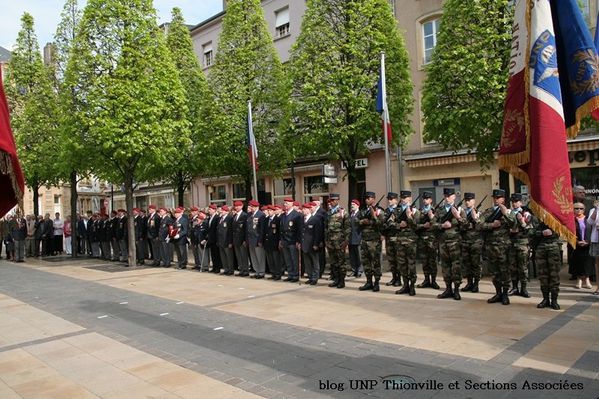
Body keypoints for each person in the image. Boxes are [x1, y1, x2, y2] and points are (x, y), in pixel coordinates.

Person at [478, 189, 515, 305]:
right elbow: (479, 225)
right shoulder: (488, 212)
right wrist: (491, 225)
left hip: (504, 248)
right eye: (494, 197)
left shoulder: (509, 212)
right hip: (490, 247)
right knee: (494, 272)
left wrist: (505, 214)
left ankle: (505, 294)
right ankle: (498, 293)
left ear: (503, 199)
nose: (496, 199)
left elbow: (514, 225)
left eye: (498, 198)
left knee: (505, 271)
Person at [432, 188, 466, 300]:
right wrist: (441, 226)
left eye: (449, 196)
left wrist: (458, 217)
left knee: (456, 266)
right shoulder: (439, 210)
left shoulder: (460, 210)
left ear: (454, 197)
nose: (447, 198)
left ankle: (456, 290)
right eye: (445, 196)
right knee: (445, 266)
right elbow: (432, 225)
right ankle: (448, 289)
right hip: (443, 243)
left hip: (455, 243)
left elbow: (466, 226)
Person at [531, 220, 562, 310]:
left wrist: (552, 232)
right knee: (543, 275)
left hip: (553, 247)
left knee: (554, 275)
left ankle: (554, 300)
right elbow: (529, 231)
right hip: (540, 247)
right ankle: (545, 299)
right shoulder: (535, 217)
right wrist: (541, 232)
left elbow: (563, 229)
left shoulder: (555, 216)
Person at [357, 191, 384, 292]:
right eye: (366, 198)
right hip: (364, 240)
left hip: (374, 240)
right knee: (366, 262)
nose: (367, 200)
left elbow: (381, 224)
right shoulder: (363, 210)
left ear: (374, 199)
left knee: (375, 263)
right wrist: (363, 221)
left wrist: (374, 217)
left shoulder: (379, 211)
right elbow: (356, 221)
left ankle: (376, 283)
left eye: (369, 198)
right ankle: (369, 282)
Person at [507, 193, 532, 298]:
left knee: (523, 267)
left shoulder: (526, 213)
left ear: (521, 202)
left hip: (522, 243)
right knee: (513, 267)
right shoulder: (509, 213)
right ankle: (514, 287)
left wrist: (522, 222)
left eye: (516, 202)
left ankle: (524, 288)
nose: (514, 204)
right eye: (513, 202)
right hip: (512, 243)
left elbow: (530, 228)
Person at [459, 192, 483, 293]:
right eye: (466, 200)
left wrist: (475, 219)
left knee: (476, 264)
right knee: (467, 264)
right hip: (465, 241)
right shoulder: (462, 213)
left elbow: (481, 226)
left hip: (476, 242)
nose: (467, 202)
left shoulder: (480, 213)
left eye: (469, 200)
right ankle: (469, 283)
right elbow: (459, 226)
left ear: (474, 201)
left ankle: (476, 284)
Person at [324, 194, 349, 288]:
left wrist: (346, 241)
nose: (332, 202)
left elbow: (347, 228)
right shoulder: (329, 212)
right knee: (333, 262)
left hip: (339, 242)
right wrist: (326, 240)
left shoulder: (343, 212)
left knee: (341, 262)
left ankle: (342, 281)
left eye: (334, 200)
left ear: (338, 200)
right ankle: (336, 279)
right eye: (331, 200)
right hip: (330, 242)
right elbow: (326, 228)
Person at [416, 191, 439, 289]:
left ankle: (433, 281)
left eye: (427, 199)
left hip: (432, 239)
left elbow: (439, 225)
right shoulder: (419, 211)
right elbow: (415, 225)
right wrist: (423, 225)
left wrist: (432, 218)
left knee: (432, 261)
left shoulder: (436, 211)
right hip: (422, 239)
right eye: (424, 199)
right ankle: (426, 280)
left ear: (431, 200)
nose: (425, 200)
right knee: (424, 261)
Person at [570, 202, 593, 289]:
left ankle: (587, 280)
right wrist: (577, 242)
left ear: (584, 209)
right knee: (578, 261)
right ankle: (579, 280)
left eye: (581, 208)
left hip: (587, 243)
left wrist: (588, 241)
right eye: (576, 208)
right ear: (573, 210)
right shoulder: (571, 220)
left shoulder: (589, 219)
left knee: (587, 262)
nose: (579, 210)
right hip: (577, 244)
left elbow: (592, 232)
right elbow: (569, 233)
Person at [279, 198, 302, 282]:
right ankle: (290, 274)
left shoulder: (296, 215)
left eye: (287, 203)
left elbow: (299, 229)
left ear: (292, 204)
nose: (285, 205)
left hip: (293, 241)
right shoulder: (283, 215)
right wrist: (281, 240)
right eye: (284, 203)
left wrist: (298, 241)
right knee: (287, 259)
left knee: (294, 259)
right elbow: (281, 229)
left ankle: (295, 275)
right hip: (285, 240)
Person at [300, 202, 323, 285]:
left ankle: (315, 278)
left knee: (315, 262)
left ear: (309, 210)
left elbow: (317, 233)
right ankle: (310, 277)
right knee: (307, 263)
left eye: (305, 209)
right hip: (304, 245)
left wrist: (316, 244)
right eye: (303, 209)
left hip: (312, 245)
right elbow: (301, 233)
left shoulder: (315, 220)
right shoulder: (302, 219)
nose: (303, 210)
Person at [382, 192, 401, 287]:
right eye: (388, 199)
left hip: (397, 237)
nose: (389, 201)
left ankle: (399, 279)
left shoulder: (399, 210)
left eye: (391, 199)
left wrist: (391, 224)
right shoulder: (386, 211)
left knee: (398, 259)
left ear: (396, 200)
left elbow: (400, 224)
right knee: (391, 259)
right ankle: (394, 277)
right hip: (389, 237)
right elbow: (383, 223)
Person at [246, 200, 266, 278]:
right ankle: (256, 271)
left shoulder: (261, 215)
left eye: (253, 206)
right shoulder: (249, 215)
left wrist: (260, 240)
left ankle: (261, 272)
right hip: (250, 239)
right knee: (253, 257)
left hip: (257, 239)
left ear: (257, 207)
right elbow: (247, 228)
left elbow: (262, 229)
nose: (251, 208)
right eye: (251, 206)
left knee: (260, 256)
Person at [264, 205, 283, 280]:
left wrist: (279, 241)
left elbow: (279, 232)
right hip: (268, 242)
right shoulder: (266, 219)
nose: (269, 212)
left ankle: (278, 274)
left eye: (271, 210)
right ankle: (273, 273)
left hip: (274, 242)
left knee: (276, 259)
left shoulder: (277, 219)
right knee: (270, 259)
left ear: (274, 211)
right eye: (268, 210)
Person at [232, 201, 249, 276]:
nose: (236, 207)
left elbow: (246, 229)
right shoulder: (235, 216)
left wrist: (245, 240)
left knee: (243, 256)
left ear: (242, 206)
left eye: (238, 206)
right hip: (236, 239)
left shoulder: (244, 215)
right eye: (235, 206)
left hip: (242, 240)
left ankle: (245, 270)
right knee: (239, 256)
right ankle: (241, 269)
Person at [217, 205, 235, 275]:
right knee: (223, 256)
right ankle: (226, 269)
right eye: (221, 210)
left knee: (229, 256)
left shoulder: (229, 218)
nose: (221, 211)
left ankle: (230, 270)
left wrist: (230, 242)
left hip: (227, 241)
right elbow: (218, 230)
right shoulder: (220, 218)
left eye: (223, 210)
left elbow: (230, 231)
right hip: (221, 241)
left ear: (227, 211)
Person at [348, 199, 363, 278]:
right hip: (350, 238)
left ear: (358, 205)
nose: (352, 205)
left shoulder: (360, 214)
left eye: (353, 204)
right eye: (351, 204)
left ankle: (360, 271)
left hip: (358, 238)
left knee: (359, 256)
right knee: (352, 256)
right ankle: (354, 270)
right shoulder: (351, 214)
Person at [207, 204, 222, 273]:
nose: (209, 211)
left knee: (216, 254)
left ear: (214, 210)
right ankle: (214, 267)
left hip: (215, 239)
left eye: (210, 209)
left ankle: (217, 268)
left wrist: (217, 239)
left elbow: (217, 229)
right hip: (211, 239)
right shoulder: (210, 217)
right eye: (209, 209)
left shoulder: (217, 217)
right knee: (213, 254)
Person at [588, 200, 599, 295]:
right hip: (597, 239)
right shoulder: (593, 210)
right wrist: (596, 209)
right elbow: (590, 221)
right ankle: (598, 287)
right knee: (598, 264)